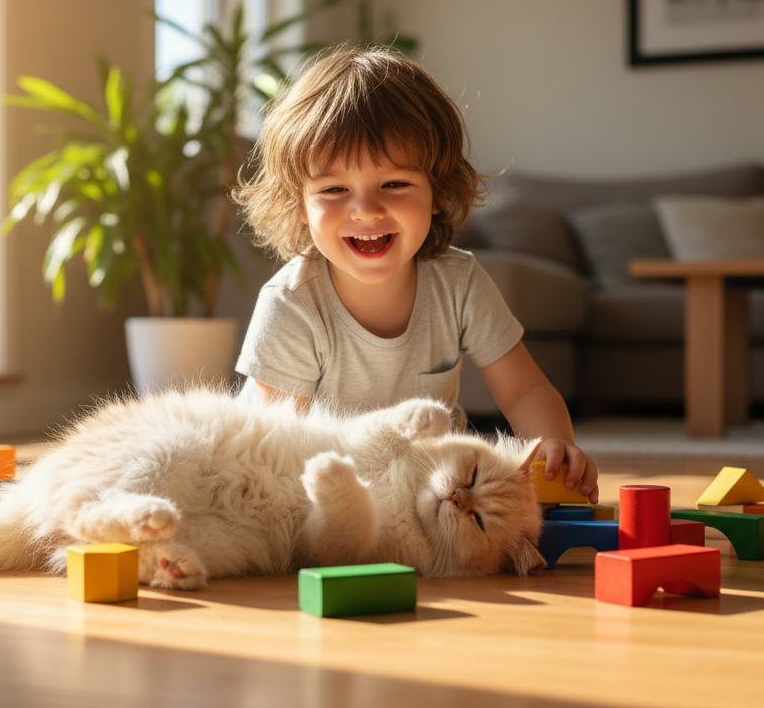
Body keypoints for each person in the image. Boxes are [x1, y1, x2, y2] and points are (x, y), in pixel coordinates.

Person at [231, 47, 598, 502]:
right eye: (334, 190)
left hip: (432, 489)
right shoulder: (291, 302)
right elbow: (277, 451)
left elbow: (525, 389)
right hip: (327, 490)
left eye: (394, 184)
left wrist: (555, 446)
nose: (366, 210)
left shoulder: (458, 282)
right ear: (300, 205)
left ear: (439, 190)